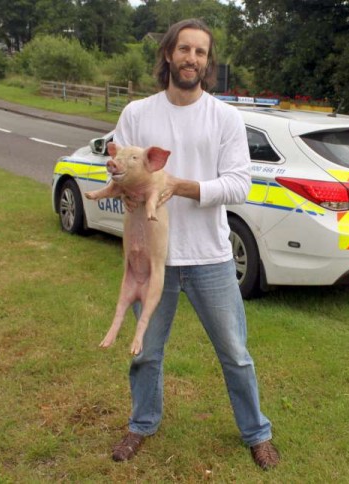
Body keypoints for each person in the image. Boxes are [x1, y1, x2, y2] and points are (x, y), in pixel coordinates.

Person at [110, 18, 280, 470]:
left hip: (211, 258)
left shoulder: (224, 117)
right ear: (168, 54)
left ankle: (256, 433)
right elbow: (116, 168)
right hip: (151, 260)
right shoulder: (136, 114)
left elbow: (239, 184)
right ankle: (141, 424)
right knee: (145, 351)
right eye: (184, 49)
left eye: (201, 52)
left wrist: (181, 186)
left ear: (208, 63)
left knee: (236, 355)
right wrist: (126, 183)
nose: (191, 59)